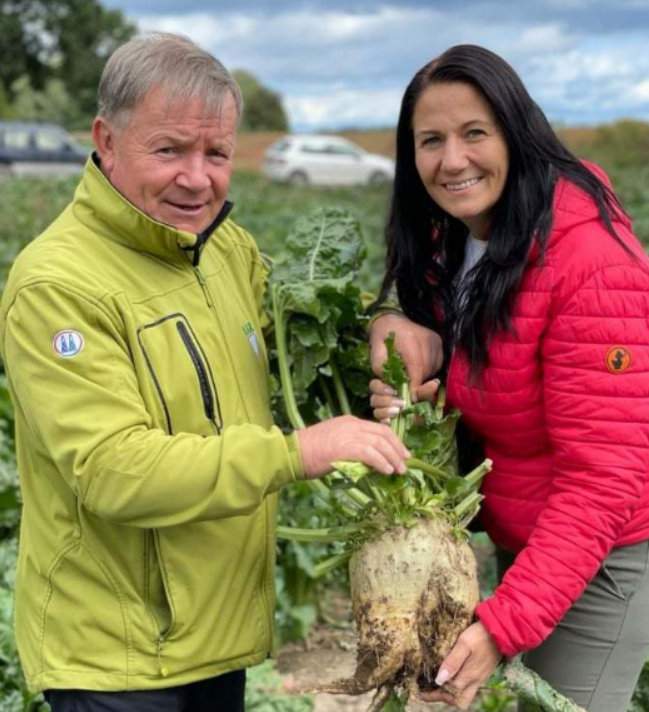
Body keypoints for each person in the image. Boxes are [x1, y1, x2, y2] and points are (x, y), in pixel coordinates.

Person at [0, 33, 410, 712]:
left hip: (215, 635)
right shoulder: (56, 284)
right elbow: (113, 469)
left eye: (215, 153)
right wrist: (297, 451)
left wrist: (384, 328)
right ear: (106, 139)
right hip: (118, 656)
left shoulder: (223, 251)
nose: (197, 177)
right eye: (169, 150)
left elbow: (307, 346)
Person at [369, 44, 649, 711]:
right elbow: (466, 356)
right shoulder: (460, 241)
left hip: (605, 551)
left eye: (474, 133)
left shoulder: (592, 264)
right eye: (429, 140)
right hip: (526, 539)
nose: (451, 160)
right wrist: (390, 331)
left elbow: (603, 479)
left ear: (516, 135)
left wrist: (505, 623)